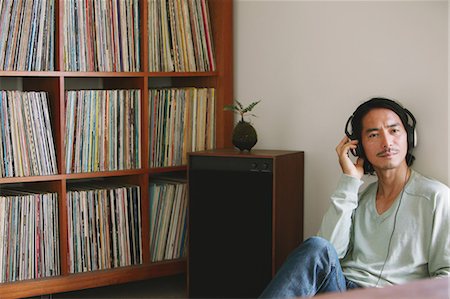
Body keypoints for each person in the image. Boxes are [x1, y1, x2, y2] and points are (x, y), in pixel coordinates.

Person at [259, 98, 449, 298]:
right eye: (374, 134)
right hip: (342, 290)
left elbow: (447, 277)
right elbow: (328, 249)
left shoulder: (435, 197)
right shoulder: (358, 198)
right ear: (359, 147)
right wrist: (349, 182)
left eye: (394, 131)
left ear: (409, 137)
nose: (386, 142)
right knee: (317, 246)